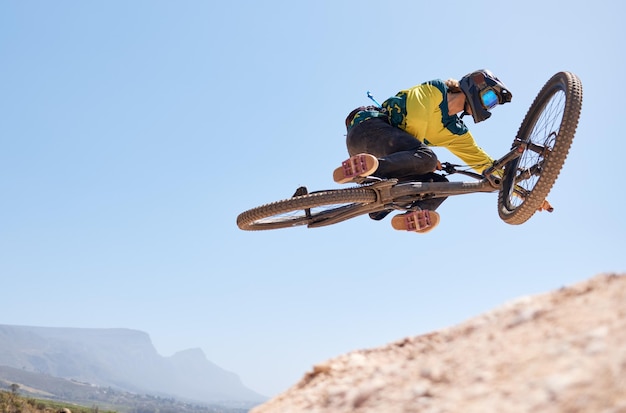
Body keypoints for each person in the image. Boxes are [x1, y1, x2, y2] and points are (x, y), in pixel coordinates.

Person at [333, 69, 513, 233]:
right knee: (427, 158)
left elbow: (484, 163)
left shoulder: (456, 131)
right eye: (489, 99)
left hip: (383, 156)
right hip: (368, 130)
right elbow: (414, 121)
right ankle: (369, 170)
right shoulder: (435, 91)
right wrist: (425, 162)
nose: (488, 106)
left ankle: (409, 212)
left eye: (492, 104)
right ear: (476, 86)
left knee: (440, 184)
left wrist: (520, 190)